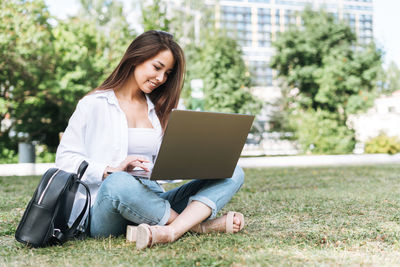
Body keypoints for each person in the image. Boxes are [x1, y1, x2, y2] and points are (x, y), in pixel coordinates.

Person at [56, 30, 245, 249]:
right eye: (157, 67)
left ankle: (171, 230)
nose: (161, 79)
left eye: (167, 73)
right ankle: (200, 227)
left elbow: (165, 169)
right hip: (106, 204)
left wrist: (196, 165)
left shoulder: (161, 110)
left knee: (233, 170)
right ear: (136, 58)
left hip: (153, 199)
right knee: (119, 182)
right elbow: (64, 160)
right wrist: (110, 170)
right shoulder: (93, 104)